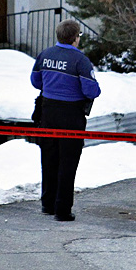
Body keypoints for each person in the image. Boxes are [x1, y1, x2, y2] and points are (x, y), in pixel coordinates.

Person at [30, 19, 101, 222]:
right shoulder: (80, 60)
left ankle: (48, 204)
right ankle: (62, 209)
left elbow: (35, 81)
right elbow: (91, 90)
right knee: (68, 162)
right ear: (75, 38)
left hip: (48, 112)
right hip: (71, 115)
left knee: (49, 159)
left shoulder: (45, 55)